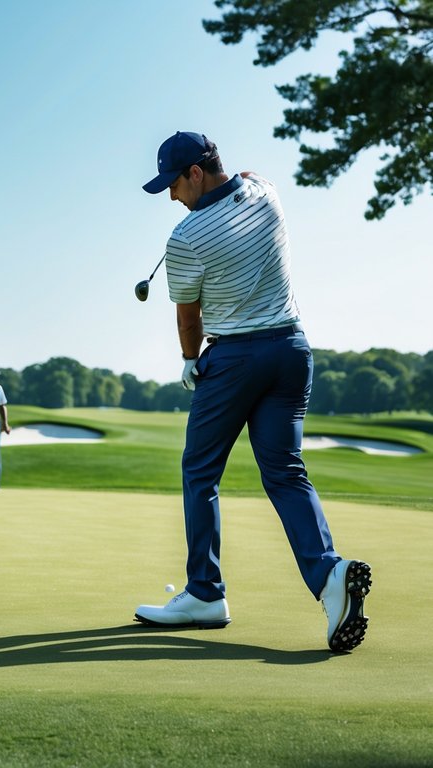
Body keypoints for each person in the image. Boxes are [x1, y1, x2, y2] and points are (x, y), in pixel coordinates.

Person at [133, 131, 371, 652]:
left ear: (195, 172)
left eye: (173, 184)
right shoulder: (267, 192)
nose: (172, 197)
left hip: (236, 359)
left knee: (200, 471)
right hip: (292, 350)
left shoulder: (186, 238)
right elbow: (250, 174)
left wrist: (190, 362)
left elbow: (188, 315)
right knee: (286, 473)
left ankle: (205, 594)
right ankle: (330, 578)